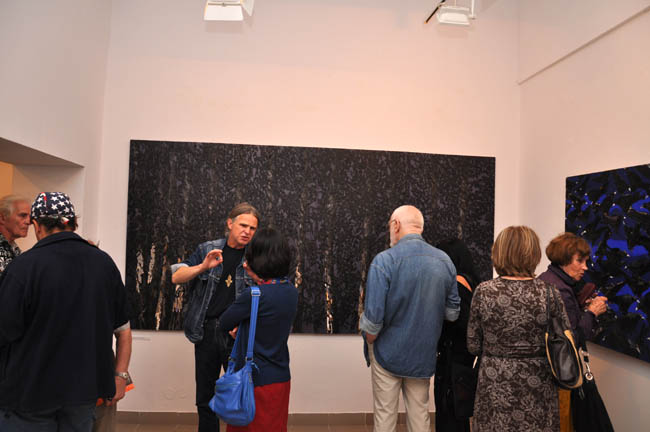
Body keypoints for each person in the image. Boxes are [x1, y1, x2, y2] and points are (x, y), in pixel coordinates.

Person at [0, 192, 130, 432]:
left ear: (37, 225)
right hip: (84, 392)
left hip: (30, 392)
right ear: (72, 222)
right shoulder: (104, 264)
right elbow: (122, 326)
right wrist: (120, 375)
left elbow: (5, 331)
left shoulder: (23, 267)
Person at [359, 205, 460, 432]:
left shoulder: (384, 261)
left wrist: (370, 341)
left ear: (396, 225)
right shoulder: (444, 261)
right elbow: (452, 313)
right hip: (423, 354)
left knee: (385, 418)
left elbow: (372, 324)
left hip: (386, 353)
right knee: (420, 416)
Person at [467, 225, 571, 432]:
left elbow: (473, 345)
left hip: (495, 380)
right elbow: (565, 337)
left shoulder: (484, 292)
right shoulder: (549, 293)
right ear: (534, 254)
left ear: (499, 252)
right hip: (538, 380)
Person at [171, 203, 260, 432]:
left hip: (237, 335)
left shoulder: (256, 256)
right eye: (243, 225)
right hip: (207, 332)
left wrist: (246, 324)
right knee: (205, 397)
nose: (247, 232)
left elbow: (264, 295)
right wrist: (203, 266)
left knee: (239, 395)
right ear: (230, 223)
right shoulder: (207, 249)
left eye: (252, 228)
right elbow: (176, 276)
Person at [219, 227, 298, 432]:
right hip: (280, 376)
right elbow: (268, 321)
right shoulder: (291, 291)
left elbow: (224, 322)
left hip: (254, 380)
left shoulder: (254, 295)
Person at [538, 232, 609, 432]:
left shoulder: (546, 279)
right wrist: (592, 312)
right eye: (580, 261)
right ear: (564, 259)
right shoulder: (561, 289)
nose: (585, 267)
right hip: (560, 375)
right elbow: (573, 338)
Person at [434, 239, 481, 432]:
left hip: (453, 356)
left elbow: (460, 322)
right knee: (458, 412)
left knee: (449, 413)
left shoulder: (456, 283)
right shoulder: (472, 282)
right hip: (463, 357)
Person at [0, 194, 30, 273]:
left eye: (29, 217)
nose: (28, 222)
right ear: (2, 218)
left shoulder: (15, 250)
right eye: (23, 215)